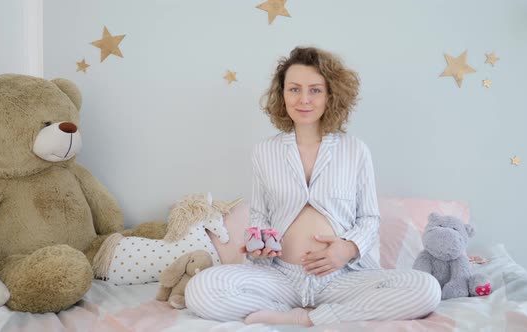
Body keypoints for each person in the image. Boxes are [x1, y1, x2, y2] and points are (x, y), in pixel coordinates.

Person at [186, 46, 441, 326]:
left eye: (315, 90)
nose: (304, 99)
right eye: (294, 89)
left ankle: (310, 318)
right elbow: (260, 217)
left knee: (426, 288)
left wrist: (348, 248)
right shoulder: (264, 152)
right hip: (281, 277)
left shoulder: (355, 150)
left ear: (330, 95)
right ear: (282, 95)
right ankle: (291, 308)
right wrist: (259, 248)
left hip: (343, 278)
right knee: (201, 290)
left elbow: (369, 218)